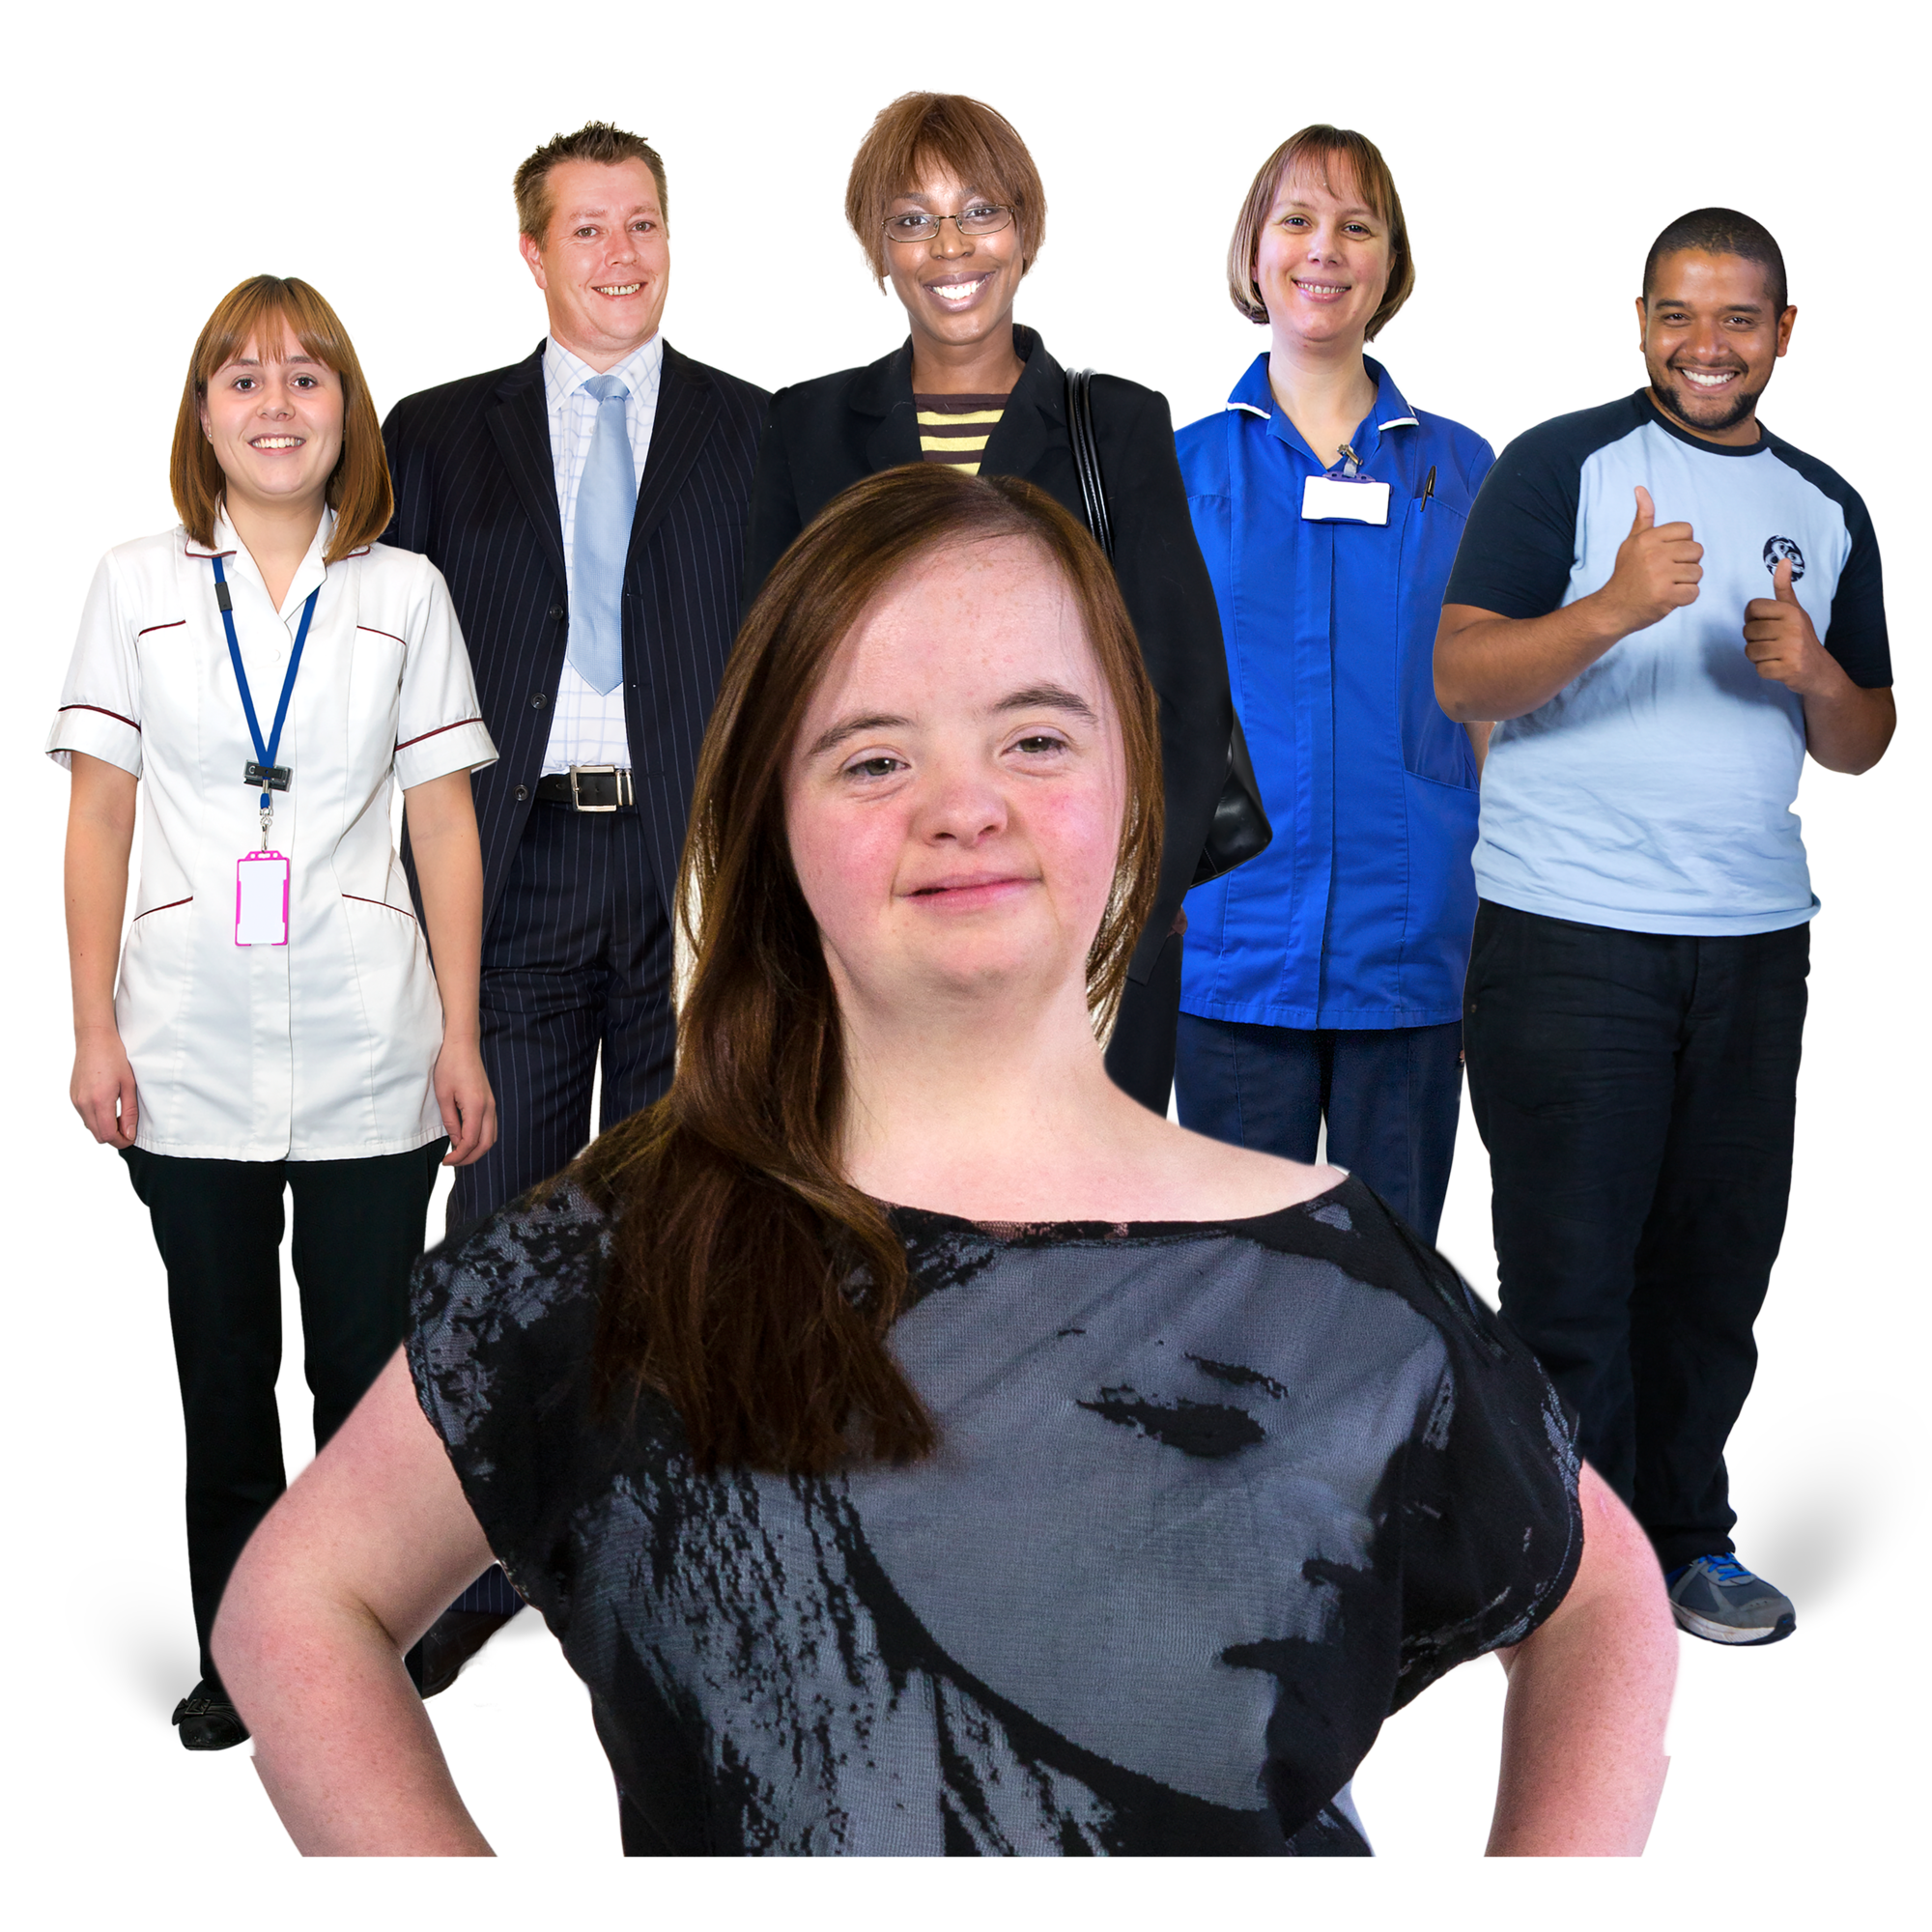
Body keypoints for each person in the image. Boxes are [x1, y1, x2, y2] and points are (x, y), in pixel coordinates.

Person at [213, 465, 1684, 1858]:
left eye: (1036, 736)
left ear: (1137, 783)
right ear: (773, 823)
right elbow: (300, 1600)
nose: (962, 803)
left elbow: (1607, 1596)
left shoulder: (1347, 1283)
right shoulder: (622, 1249)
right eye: (872, 757)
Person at [1435, 208, 1894, 1648]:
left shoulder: (1826, 503)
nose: (1709, 345)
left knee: (1716, 1268)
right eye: (1680, 317)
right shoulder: (1555, 464)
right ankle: (1569, 1569)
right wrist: (1617, 607)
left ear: (1783, 332)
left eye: (1739, 319)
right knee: (1570, 1276)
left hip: (1756, 943)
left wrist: (1816, 670)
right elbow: (1460, 676)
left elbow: (1864, 744)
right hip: (1571, 932)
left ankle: (1691, 1544)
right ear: (1642, 323)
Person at [51, 273, 498, 1752]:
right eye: (241, 380)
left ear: (348, 414)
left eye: (308, 378)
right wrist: (92, 1032)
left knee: (377, 1398)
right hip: (185, 1044)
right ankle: (239, 1671)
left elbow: (442, 825)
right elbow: (97, 819)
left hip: (377, 1044)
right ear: (201, 417)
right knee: (226, 1390)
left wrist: (462, 1031)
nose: (275, 403)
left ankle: (386, 1664)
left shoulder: (404, 593)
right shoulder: (133, 584)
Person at [379, 120, 767, 1662]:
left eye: (646, 225)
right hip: (512, 862)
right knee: (504, 1219)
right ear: (533, 254)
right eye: (588, 231)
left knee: (698, 1216)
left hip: (693, 877)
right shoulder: (435, 431)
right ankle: (479, 1566)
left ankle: (676, 1543)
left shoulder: (761, 428)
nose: (624, 256)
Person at [742, 88, 1232, 1116]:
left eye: (979, 210)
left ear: (1026, 231)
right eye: (911, 219)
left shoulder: (1118, 422)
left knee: (1087, 1239)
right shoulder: (805, 428)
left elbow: (1181, 690)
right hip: (880, 924)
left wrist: (1132, 918)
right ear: (876, 249)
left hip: (1081, 919)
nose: (949, 246)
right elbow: (769, 691)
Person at [1172, 124, 1494, 1244]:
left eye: (1356, 224)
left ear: (1388, 263)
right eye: (1295, 220)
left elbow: (1498, 707)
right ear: (1252, 255)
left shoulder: (1461, 469)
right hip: (1223, 940)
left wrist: (1501, 919)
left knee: (1393, 1283)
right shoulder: (1179, 469)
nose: (1324, 249)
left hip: (1408, 941)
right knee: (1221, 1283)